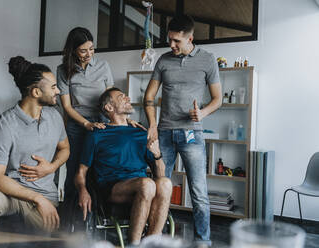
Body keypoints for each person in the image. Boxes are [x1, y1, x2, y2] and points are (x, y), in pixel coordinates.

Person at [144, 15, 222, 244]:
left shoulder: (208, 60)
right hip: (165, 133)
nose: (171, 45)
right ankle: (154, 237)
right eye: (170, 39)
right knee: (159, 188)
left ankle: (203, 242)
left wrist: (203, 113)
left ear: (190, 38)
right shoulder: (163, 60)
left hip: (192, 134)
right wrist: (152, 126)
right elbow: (149, 96)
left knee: (199, 192)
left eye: (177, 41)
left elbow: (217, 99)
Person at [0, 56, 70, 233]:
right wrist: (36, 198)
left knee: (48, 239)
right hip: (10, 193)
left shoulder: (55, 116)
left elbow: (65, 148)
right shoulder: (6, 123)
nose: (58, 91)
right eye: (53, 87)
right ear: (36, 92)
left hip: (45, 195)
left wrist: (51, 167)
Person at [57, 28, 142, 218]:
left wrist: (125, 120)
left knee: (99, 172)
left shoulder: (103, 66)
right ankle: (70, 217)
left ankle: (98, 215)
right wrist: (86, 125)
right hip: (78, 127)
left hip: (103, 125)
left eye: (92, 49)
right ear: (72, 50)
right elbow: (67, 107)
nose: (89, 54)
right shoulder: (63, 70)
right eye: (83, 50)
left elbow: (112, 98)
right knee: (75, 173)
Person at [75, 88, 172, 246]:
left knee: (165, 183)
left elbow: (160, 174)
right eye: (121, 97)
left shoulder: (141, 132)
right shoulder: (97, 133)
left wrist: (157, 154)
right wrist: (82, 190)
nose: (127, 97)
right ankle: (134, 244)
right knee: (147, 184)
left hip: (142, 186)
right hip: (112, 187)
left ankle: (151, 242)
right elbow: (81, 171)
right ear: (109, 107)